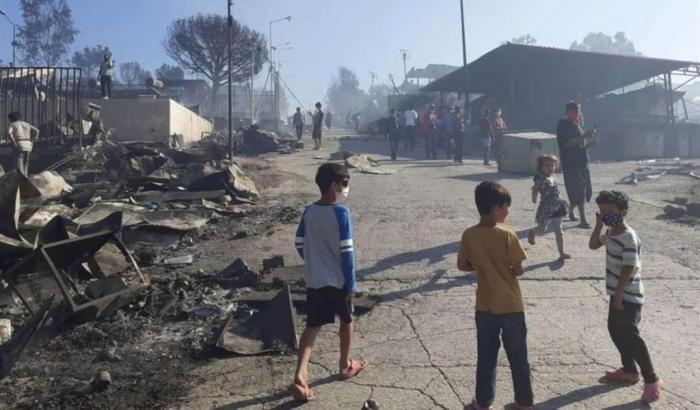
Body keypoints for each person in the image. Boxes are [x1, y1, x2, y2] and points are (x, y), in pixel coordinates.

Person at [290, 163, 367, 402]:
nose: (345, 189)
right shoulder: (341, 213)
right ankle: (344, 364)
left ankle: (300, 376)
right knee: (346, 319)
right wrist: (351, 284)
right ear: (334, 186)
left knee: (312, 325)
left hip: (315, 279)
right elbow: (347, 253)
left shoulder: (309, 211)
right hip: (338, 280)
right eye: (344, 184)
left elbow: (299, 243)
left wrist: (314, 262)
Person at [458, 181, 533, 410]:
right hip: (511, 305)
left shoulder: (469, 235)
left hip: (485, 305)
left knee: (487, 358)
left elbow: (463, 265)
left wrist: (482, 266)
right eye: (506, 207)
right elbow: (518, 269)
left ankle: (483, 403)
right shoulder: (507, 234)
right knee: (518, 358)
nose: (508, 212)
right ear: (496, 208)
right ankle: (525, 403)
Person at [588, 190, 662, 404]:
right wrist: (598, 226)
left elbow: (628, 268)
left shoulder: (629, 236)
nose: (605, 214)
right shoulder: (611, 232)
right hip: (617, 293)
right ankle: (630, 370)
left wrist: (619, 295)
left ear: (623, 211)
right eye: (602, 211)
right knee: (614, 330)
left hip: (629, 294)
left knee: (630, 334)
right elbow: (593, 245)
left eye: (610, 211)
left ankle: (651, 379)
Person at [557, 101, 596, 228]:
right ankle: (583, 220)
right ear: (567, 112)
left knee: (585, 191)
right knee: (579, 190)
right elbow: (566, 143)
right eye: (573, 111)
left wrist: (590, 139)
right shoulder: (563, 125)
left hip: (583, 161)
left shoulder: (578, 125)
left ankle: (570, 211)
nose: (575, 114)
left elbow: (582, 142)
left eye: (577, 111)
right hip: (571, 163)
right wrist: (583, 137)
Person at [526, 154, 570, 260]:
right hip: (546, 208)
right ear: (541, 167)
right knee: (542, 231)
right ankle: (533, 232)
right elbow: (535, 189)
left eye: (552, 165)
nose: (550, 168)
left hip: (558, 205)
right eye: (546, 165)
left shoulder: (553, 175)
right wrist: (534, 198)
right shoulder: (540, 178)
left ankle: (562, 252)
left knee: (559, 231)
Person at [6, 111, 39, 176]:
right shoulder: (26, 124)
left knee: (19, 164)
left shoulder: (13, 124)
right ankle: (25, 177)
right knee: (25, 164)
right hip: (28, 146)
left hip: (19, 145)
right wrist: (32, 139)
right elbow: (37, 131)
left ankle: (21, 179)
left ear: (11, 119)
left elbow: (9, 133)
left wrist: (14, 142)